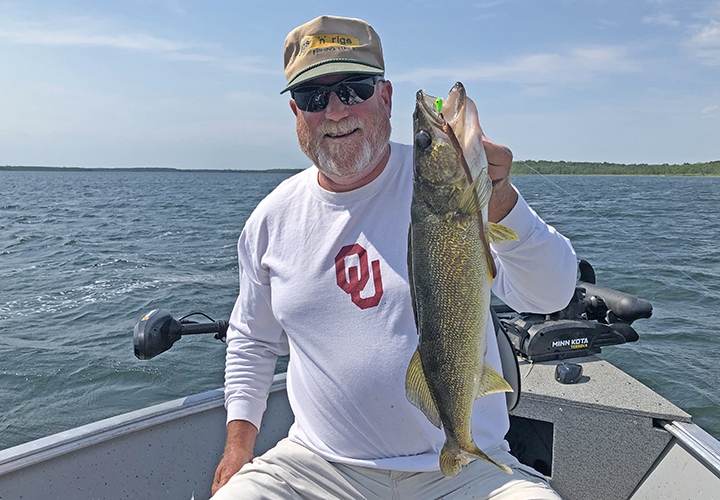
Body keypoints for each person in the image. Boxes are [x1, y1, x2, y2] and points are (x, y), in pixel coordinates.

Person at [211, 15, 576, 500]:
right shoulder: (270, 219)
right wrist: (238, 449)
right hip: (317, 466)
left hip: (468, 471)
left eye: (353, 88)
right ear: (296, 114)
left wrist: (501, 199)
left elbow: (551, 293)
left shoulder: (453, 191)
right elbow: (253, 339)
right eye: (314, 98)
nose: (336, 111)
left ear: (385, 97)